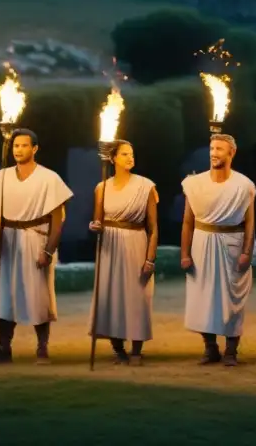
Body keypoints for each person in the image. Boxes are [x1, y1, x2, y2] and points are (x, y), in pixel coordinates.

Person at [0, 128, 73, 364]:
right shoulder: (2, 176)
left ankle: (42, 348)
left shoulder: (49, 178)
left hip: (35, 238)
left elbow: (57, 219)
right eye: (15, 146)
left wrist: (49, 251)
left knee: (38, 295)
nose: (18, 150)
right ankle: (3, 348)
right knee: (4, 294)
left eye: (23, 145)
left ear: (34, 148)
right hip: (7, 240)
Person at [180, 133, 256, 366]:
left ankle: (231, 351)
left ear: (231, 153)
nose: (214, 153)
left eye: (220, 149)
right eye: (212, 148)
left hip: (231, 242)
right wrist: (184, 253)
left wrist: (246, 252)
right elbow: (187, 221)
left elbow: (250, 221)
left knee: (231, 298)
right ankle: (210, 348)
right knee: (203, 298)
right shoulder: (194, 184)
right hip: (202, 243)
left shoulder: (244, 185)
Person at [88, 140, 159, 365]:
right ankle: (117, 348)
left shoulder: (146, 186)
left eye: (132, 154)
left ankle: (137, 349)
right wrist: (95, 226)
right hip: (109, 246)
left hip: (135, 242)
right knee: (111, 294)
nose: (130, 158)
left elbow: (153, 227)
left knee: (137, 295)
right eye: (124, 154)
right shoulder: (102, 187)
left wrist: (150, 258)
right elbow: (98, 220)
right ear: (113, 159)